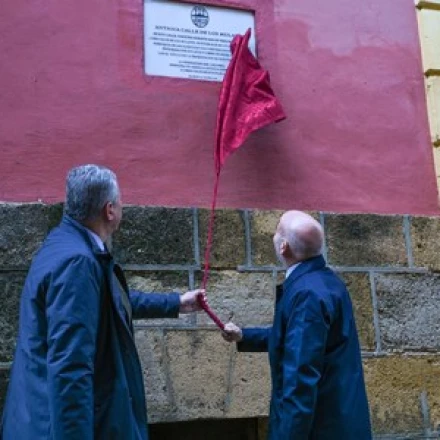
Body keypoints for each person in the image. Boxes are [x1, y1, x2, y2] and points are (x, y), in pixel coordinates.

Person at [1, 164, 204, 440]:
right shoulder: (77, 262)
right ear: (109, 210)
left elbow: (106, 300)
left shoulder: (66, 243)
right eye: (121, 201)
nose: (122, 206)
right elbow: (70, 369)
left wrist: (176, 302)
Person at [222, 210, 372, 440]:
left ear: (284, 247)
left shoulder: (307, 293)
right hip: (339, 418)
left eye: (277, 229)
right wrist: (244, 335)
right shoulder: (325, 280)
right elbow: (299, 338)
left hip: (321, 426)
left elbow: (300, 377)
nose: (273, 234)